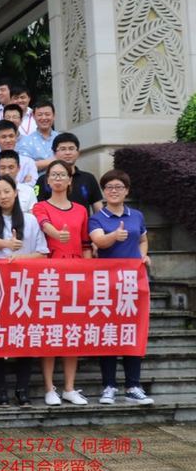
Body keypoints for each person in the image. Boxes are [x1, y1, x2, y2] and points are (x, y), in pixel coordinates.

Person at [0, 175, 48, 406]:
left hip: (25, 287)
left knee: (25, 338)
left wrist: (19, 258)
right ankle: (1, 390)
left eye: (6, 191)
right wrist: (7, 244)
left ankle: (22, 389)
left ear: (16, 192)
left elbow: (42, 253)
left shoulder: (30, 220)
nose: (2, 196)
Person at [89, 169, 154, 406]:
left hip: (133, 282)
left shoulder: (136, 215)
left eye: (118, 187)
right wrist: (114, 236)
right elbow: (98, 241)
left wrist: (143, 256)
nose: (113, 191)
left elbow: (143, 240)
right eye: (109, 187)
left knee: (133, 332)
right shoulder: (98, 217)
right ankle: (109, 386)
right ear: (103, 191)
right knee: (108, 333)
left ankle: (133, 386)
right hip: (107, 283)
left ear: (126, 191)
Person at [32, 160, 91, 407]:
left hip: (76, 274)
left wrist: (88, 272)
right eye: (53, 175)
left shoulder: (81, 210)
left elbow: (86, 243)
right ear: (47, 181)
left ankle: (69, 387)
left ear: (69, 180)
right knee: (50, 332)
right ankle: (49, 387)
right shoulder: (40, 206)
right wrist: (57, 234)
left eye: (62, 175)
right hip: (49, 274)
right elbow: (44, 225)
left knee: (72, 332)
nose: (57, 178)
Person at [35, 133, 103, 213]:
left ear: (78, 152)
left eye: (71, 149)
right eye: (63, 149)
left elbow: (98, 208)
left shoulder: (89, 178)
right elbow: (38, 208)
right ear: (54, 153)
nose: (67, 153)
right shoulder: (43, 179)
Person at [0, 120, 37, 186]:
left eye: (11, 136)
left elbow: (32, 187)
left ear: (16, 137)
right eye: (3, 137)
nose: (8, 140)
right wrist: (22, 185)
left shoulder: (29, 162)